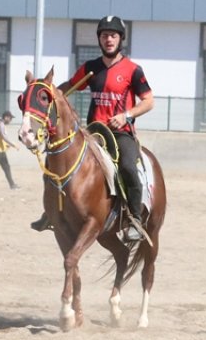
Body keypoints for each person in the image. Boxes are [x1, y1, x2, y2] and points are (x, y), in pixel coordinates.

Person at [32, 15, 154, 241]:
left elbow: (149, 101)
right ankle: (51, 213)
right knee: (53, 163)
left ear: (121, 39)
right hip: (92, 132)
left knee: (127, 166)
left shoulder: (133, 70)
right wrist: (45, 95)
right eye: (105, 35)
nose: (109, 39)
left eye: (113, 35)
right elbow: (67, 87)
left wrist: (126, 115)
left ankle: (135, 218)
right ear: (99, 39)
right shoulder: (90, 68)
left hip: (119, 133)